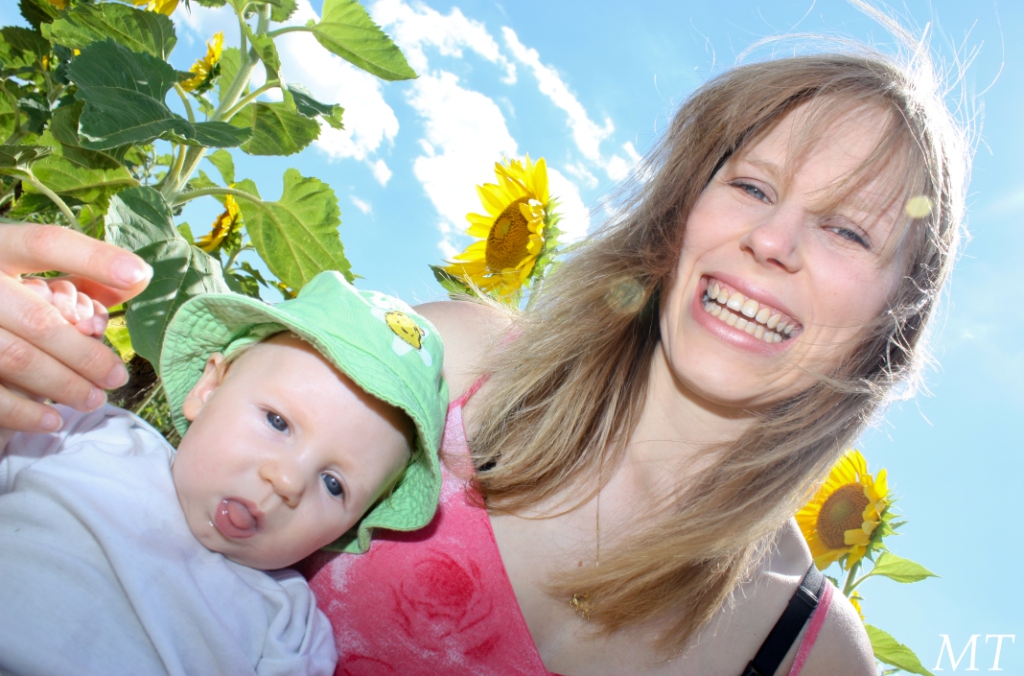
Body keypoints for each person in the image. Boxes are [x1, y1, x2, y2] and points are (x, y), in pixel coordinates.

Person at [0, 40, 967, 676]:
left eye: (847, 230)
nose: (775, 241)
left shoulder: (809, 655)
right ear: (683, 213)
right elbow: (125, 516)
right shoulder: (447, 363)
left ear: (896, 318)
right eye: (752, 184)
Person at [0, 271, 447, 675]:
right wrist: (23, 376)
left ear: (353, 524)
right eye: (277, 422)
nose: (288, 482)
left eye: (334, 485)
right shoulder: (90, 436)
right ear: (208, 389)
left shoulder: (290, 628)